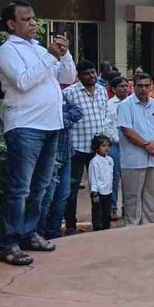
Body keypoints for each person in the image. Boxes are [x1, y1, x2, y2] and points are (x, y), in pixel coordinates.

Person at [0, 0, 76, 265]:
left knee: (40, 186)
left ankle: (29, 233)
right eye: (27, 19)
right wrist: (51, 57)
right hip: (25, 126)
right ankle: (8, 243)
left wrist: (64, 54)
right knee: (20, 189)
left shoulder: (39, 49)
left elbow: (66, 78)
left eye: (34, 19)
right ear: (11, 24)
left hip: (51, 125)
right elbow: (23, 81)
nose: (33, 23)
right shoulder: (7, 51)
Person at [62, 60, 116, 235]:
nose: (91, 76)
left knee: (100, 187)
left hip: (98, 151)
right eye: (86, 73)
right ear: (78, 76)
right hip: (78, 149)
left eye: (93, 72)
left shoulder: (102, 91)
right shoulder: (68, 93)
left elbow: (106, 116)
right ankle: (70, 225)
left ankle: (99, 224)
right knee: (72, 189)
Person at [117, 73, 154, 226]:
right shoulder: (126, 105)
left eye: (147, 86)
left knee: (150, 194)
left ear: (151, 85)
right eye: (140, 86)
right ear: (134, 86)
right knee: (132, 196)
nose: (144, 89)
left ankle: (147, 225)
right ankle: (131, 226)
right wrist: (147, 145)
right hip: (133, 159)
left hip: (152, 158)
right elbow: (127, 130)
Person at [38, 100, 82, 239]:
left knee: (63, 196)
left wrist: (59, 119)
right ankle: (38, 234)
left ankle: (54, 233)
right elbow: (45, 119)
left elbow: (78, 112)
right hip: (50, 157)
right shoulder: (40, 97)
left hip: (66, 154)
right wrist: (62, 119)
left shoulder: (60, 94)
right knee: (46, 198)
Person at [106, 76, 130, 219]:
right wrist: (118, 139)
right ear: (114, 89)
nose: (125, 89)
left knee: (129, 177)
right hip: (115, 145)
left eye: (126, 86)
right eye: (121, 86)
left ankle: (127, 207)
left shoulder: (132, 102)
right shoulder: (110, 104)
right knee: (114, 178)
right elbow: (108, 125)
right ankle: (112, 207)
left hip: (131, 144)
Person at [88, 135, 115, 231]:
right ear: (96, 148)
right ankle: (98, 230)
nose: (106, 148)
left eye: (108, 145)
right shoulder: (94, 162)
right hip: (99, 192)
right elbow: (93, 179)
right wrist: (94, 193)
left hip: (108, 190)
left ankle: (106, 228)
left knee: (106, 211)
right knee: (97, 212)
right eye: (103, 146)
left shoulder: (110, 160)